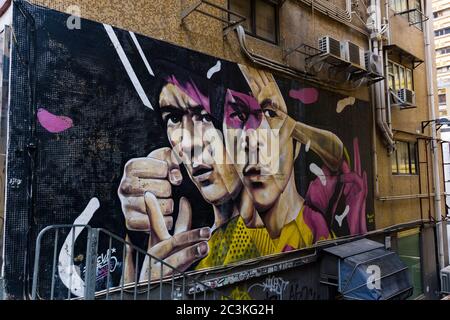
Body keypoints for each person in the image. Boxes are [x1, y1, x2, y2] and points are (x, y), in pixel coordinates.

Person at [223, 65, 368, 253]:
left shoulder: (313, 227)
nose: (251, 139)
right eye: (238, 115)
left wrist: (292, 126)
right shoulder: (231, 239)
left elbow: (339, 156)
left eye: (269, 114)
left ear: (297, 143)